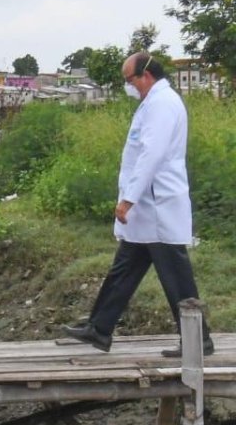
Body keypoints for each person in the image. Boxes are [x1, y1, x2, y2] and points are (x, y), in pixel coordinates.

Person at [64, 52, 213, 357]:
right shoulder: (152, 103)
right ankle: (99, 328)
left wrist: (128, 199)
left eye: (128, 80)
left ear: (146, 75)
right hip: (147, 208)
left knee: (176, 277)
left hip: (156, 205)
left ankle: (199, 341)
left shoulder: (162, 104)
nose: (127, 86)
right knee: (124, 269)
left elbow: (152, 154)